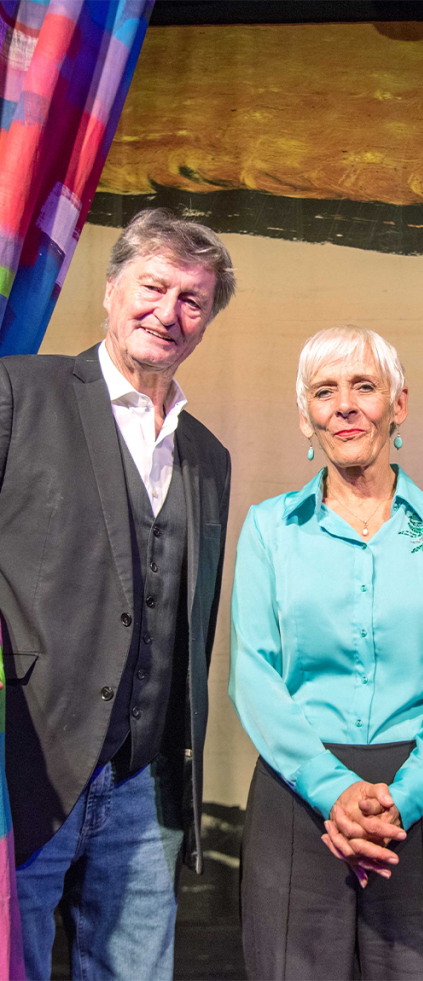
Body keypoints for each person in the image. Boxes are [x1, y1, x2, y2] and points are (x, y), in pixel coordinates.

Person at [1, 208, 234, 981]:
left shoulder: (207, 455)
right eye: (153, 286)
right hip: (26, 768)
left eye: (192, 299)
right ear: (109, 289)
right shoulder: (18, 392)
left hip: (143, 784)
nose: (168, 311)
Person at [229, 325, 423, 981]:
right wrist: (335, 789)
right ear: (305, 417)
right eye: (324, 391)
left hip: (422, 804)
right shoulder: (267, 529)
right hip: (296, 800)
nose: (344, 405)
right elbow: (252, 673)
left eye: (364, 386)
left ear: (398, 404)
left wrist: (405, 797)